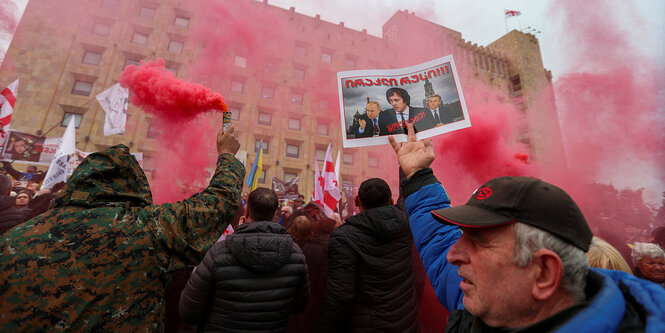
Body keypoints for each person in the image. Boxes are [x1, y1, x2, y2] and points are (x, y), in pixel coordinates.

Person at [388, 124, 665, 332]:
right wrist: (417, 176)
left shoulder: (492, 295)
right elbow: (439, 240)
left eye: (480, 241)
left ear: (544, 272)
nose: (454, 255)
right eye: (465, 235)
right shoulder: (489, 298)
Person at [0, 126, 245, 331]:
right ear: (133, 184)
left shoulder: (13, 239)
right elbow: (217, 204)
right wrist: (227, 155)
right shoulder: (146, 229)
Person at [179, 187, 309, 331]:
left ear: (246, 212)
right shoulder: (296, 254)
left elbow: (189, 311)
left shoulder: (218, 253)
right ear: (274, 213)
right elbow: (299, 305)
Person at [318, 175, 419, 332]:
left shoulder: (343, 237)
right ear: (391, 201)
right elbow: (407, 194)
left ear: (357, 202)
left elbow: (340, 294)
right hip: (406, 322)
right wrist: (406, 164)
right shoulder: (405, 222)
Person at [287, 215, 329, 333]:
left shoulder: (285, 250)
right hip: (311, 304)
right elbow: (323, 283)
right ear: (310, 231)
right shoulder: (319, 252)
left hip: (288, 302)